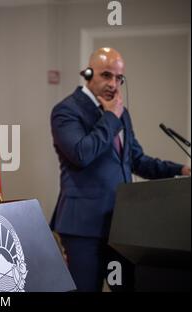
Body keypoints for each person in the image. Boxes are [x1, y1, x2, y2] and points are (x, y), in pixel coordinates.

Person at [50, 47, 191, 292]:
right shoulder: (67, 110)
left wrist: (181, 169)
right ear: (88, 73)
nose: (113, 84)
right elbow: (82, 154)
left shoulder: (119, 112)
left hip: (123, 226)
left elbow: (135, 159)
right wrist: (111, 118)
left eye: (119, 78)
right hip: (83, 227)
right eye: (106, 75)